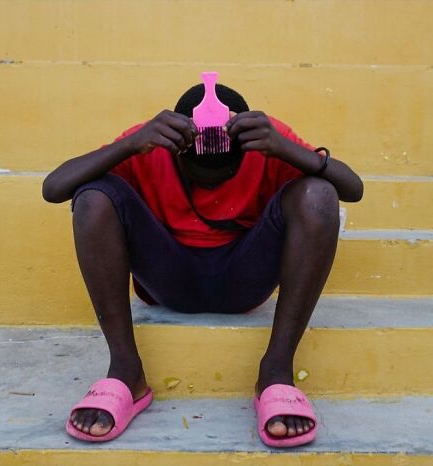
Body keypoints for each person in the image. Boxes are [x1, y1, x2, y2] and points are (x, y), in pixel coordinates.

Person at [42, 82, 363, 448]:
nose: (212, 185)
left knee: (319, 194)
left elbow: (352, 188)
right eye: (198, 173)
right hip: (169, 276)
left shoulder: (265, 140)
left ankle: (276, 372)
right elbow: (54, 187)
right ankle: (126, 371)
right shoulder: (153, 140)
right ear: (176, 152)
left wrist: (287, 149)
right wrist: (130, 144)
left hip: (244, 277)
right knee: (93, 197)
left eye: (225, 172)